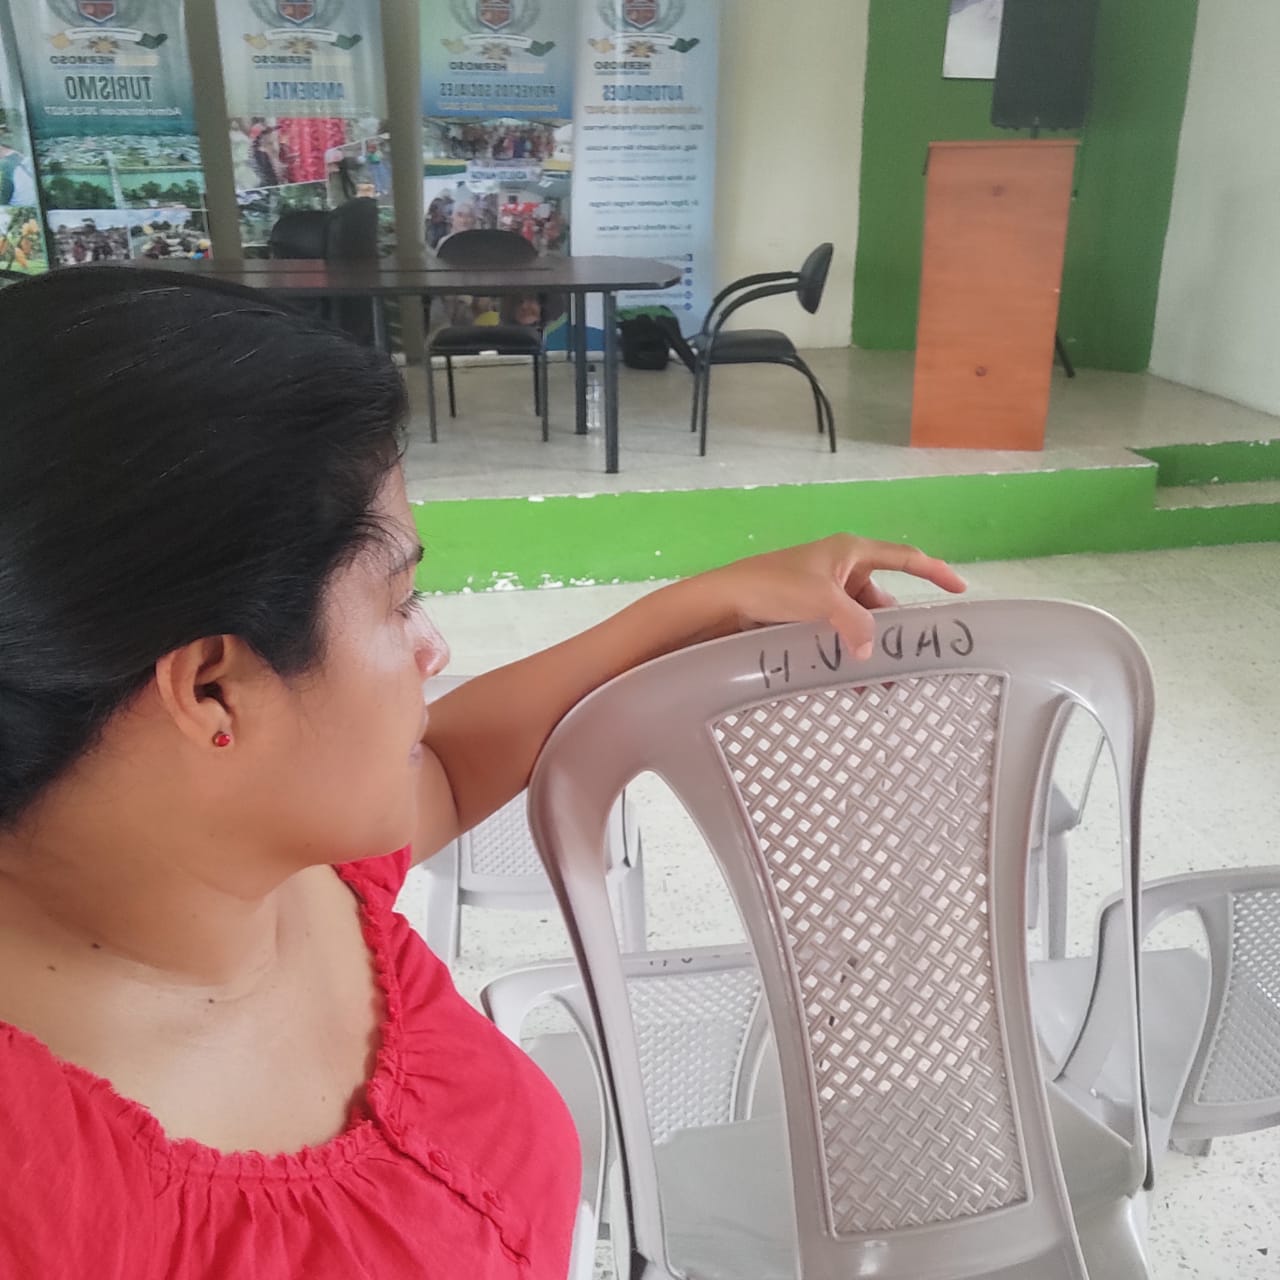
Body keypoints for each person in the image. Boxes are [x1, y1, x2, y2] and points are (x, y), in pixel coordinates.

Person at [0, 266, 965, 1277]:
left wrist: (710, 603)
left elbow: (454, 765)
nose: (434, 648)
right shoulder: (44, 1200)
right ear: (212, 691)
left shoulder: (252, 864)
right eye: (398, 602)